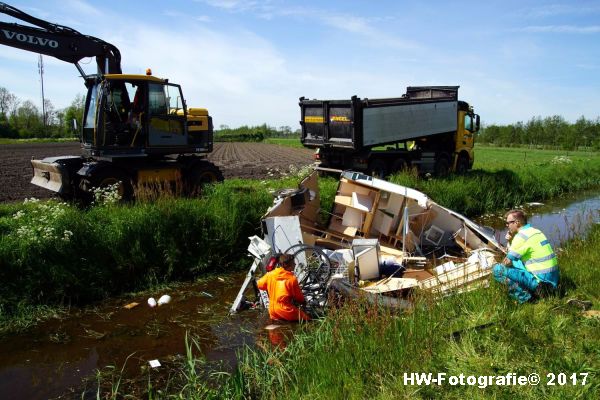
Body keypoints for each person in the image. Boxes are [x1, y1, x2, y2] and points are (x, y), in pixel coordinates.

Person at [493, 209, 559, 303]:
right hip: (553, 282)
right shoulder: (536, 231)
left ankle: (527, 299)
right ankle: (532, 290)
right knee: (517, 261)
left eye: (508, 223)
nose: (507, 226)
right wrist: (510, 241)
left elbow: (506, 262)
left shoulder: (521, 237)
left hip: (541, 286)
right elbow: (516, 254)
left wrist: (509, 241)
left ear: (517, 222)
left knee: (498, 269)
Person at [257, 254, 311, 321]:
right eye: (293, 263)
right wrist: (303, 302)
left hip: (272, 309)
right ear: (286, 265)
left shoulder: (270, 274)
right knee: (308, 320)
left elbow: (260, 285)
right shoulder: (292, 279)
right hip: (285, 309)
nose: (295, 264)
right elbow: (298, 297)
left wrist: (270, 286)